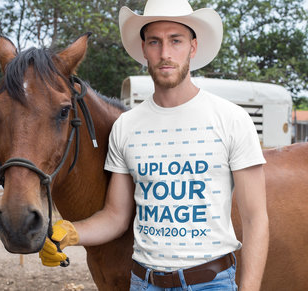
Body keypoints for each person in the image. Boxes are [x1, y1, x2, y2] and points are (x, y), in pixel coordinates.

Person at [39, 0, 269, 290]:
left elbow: (255, 218)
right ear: (144, 50)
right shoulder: (127, 127)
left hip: (211, 284)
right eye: (154, 42)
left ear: (192, 48)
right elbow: (115, 217)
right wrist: (71, 232)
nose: (165, 53)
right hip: (144, 283)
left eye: (176, 41)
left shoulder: (232, 119)